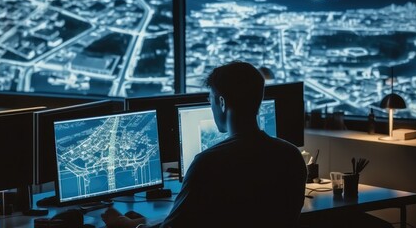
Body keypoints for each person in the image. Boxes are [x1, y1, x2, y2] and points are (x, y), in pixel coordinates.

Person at [102, 61, 308, 227]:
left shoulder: (208, 164)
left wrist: (126, 224)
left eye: (210, 99)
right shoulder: (291, 156)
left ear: (222, 102)